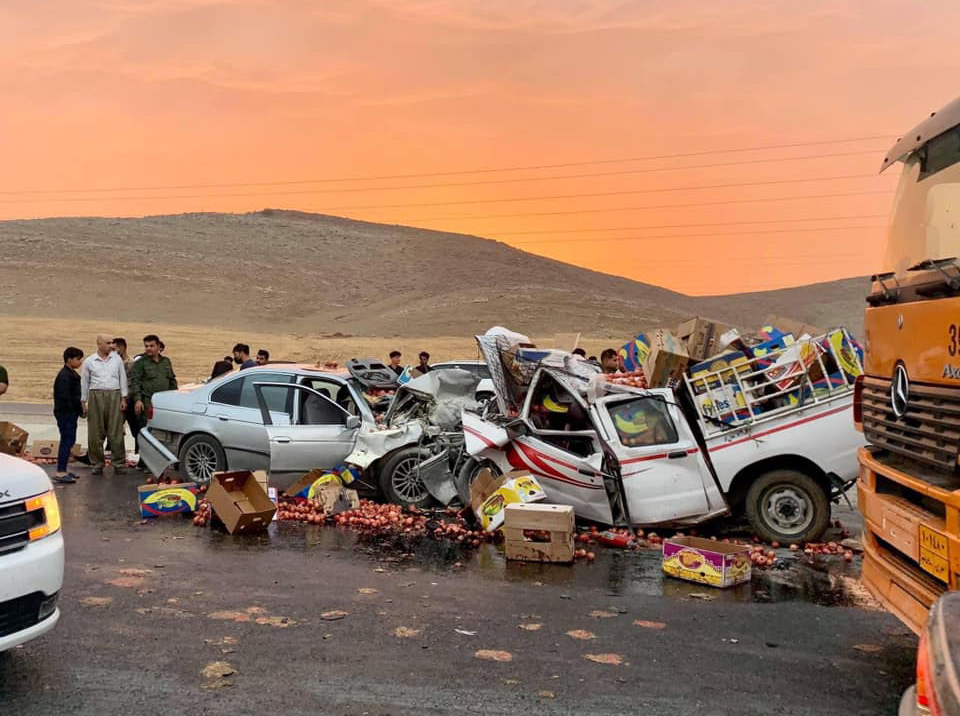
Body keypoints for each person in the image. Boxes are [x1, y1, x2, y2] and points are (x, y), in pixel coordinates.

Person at [81, 335, 128, 475]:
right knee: (95, 431)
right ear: (99, 344)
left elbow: (122, 378)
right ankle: (97, 463)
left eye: (112, 342)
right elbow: (84, 382)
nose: (111, 345)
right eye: (108, 343)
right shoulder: (90, 361)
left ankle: (119, 463)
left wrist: (123, 398)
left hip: (114, 394)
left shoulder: (117, 359)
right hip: (96, 395)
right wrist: (84, 401)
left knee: (116, 431)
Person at [130, 335, 178, 466]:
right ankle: (144, 461)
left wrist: (176, 399)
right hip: (147, 402)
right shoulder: (141, 363)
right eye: (146, 346)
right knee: (146, 431)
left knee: (163, 432)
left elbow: (172, 381)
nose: (148, 349)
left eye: (151, 346)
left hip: (164, 403)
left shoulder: (166, 362)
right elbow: (135, 383)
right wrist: (138, 400)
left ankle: (161, 461)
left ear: (158, 347)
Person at [52, 347, 84, 484]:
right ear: (69, 359)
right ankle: (60, 471)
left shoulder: (71, 374)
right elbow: (65, 397)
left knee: (69, 440)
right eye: (78, 359)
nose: (80, 362)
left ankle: (64, 468)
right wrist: (74, 410)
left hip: (70, 413)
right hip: (66, 413)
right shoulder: (65, 376)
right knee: (66, 440)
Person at [114, 337, 141, 452]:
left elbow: (132, 383)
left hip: (129, 401)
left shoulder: (130, 364)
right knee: (114, 429)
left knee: (135, 429)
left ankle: (139, 454)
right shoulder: (116, 363)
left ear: (122, 348)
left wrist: (126, 398)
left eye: (115, 349)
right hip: (118, 400)